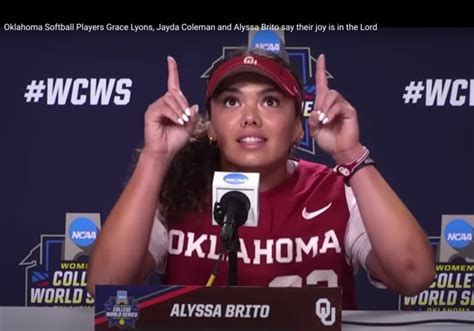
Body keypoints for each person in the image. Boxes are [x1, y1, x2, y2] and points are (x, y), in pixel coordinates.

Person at [86, 47, 435, 309]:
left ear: (298, 126)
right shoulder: (179, 191)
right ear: (211, 125)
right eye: (231, 102)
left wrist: (351, 155)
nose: (250, 117)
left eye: (269, 102)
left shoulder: (335, 191)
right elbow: (105, 287)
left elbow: (414, 275)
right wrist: (156, 157)